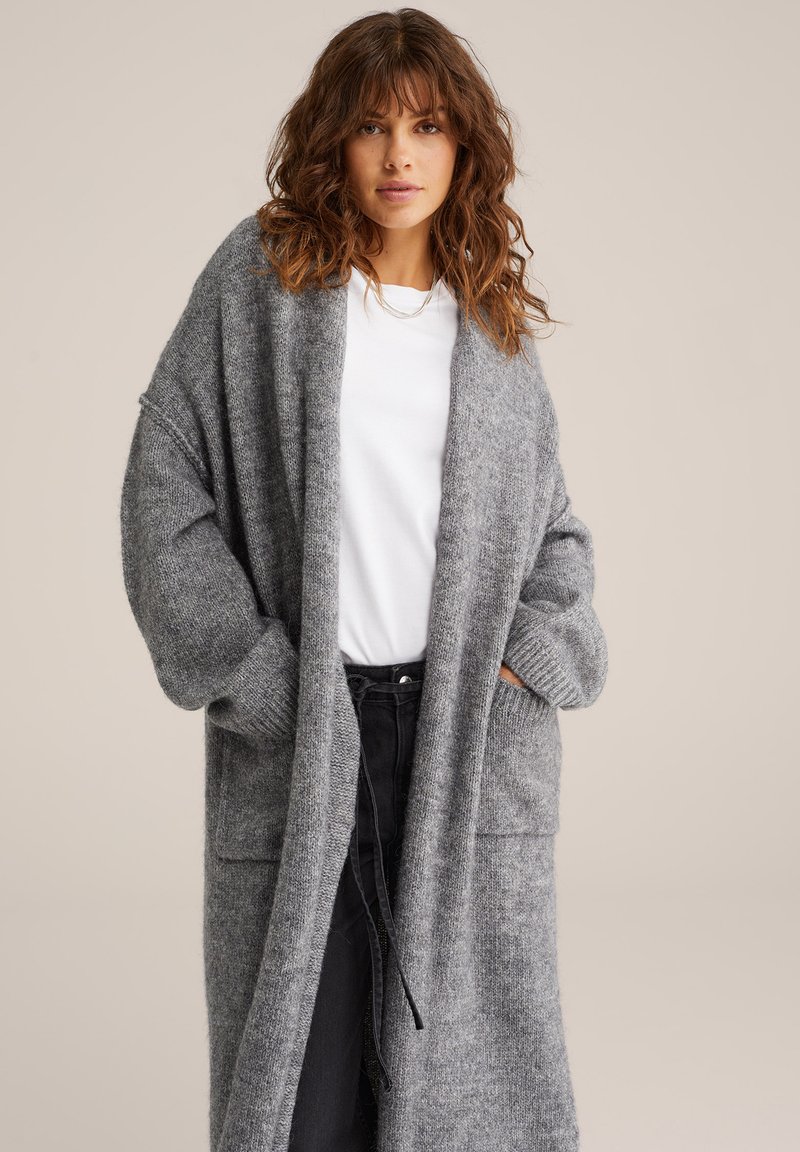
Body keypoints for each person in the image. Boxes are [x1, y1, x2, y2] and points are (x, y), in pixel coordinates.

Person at [120, 9, 608, 1152]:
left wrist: (524, 667)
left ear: (462, 146)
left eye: (427, 127)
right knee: (304, 1082)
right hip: (309, 720)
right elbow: (161, 491)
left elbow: (556, 536)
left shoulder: (489, 328)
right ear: (331, 141)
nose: (398, 156)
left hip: (459, 731)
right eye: (371, 127)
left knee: (466, 1086)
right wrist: (253, 676)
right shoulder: (263, 284)